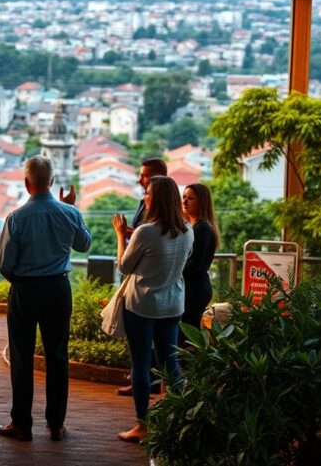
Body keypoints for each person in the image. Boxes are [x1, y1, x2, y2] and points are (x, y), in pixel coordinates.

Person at [0, 156, 91, 443]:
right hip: (58, 289)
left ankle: (22, 424)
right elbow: (83, 245)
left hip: (25, 290)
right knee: (58, 356)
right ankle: (56, 424)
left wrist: (22, 281)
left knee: (22, 358)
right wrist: (72, 206)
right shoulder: (69, 213)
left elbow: (4, 263)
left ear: (27, 183)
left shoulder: (16, 218)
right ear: (51, 182)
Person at [111, 176, 193, 443]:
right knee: (170, 363)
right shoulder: (187, 229)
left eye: (147, 193)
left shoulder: (146, 231)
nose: (144, 196)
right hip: (172, 304)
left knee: (141, 364)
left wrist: (120, 236)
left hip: (143, 305)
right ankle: (183, 420)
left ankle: (142, 425)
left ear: (155, 198)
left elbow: (124, 265)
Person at [118, 155, 169, 397]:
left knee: (144, 355)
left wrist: (123, 235)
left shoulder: (154, 225)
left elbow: (124, 265)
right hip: (168, 299)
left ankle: (143, 417)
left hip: (145, 293)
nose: (141, 180)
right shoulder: (182, 229)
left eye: (145, 176)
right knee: (165, 355)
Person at [180, 183, 219, 343]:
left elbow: (194, 266)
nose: (184, 202)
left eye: (190, 198)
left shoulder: (202, 229)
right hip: (193, 288)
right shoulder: (194, 227)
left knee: (187, 337)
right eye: (184, 197)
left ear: (201, 202)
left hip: (195, 290)